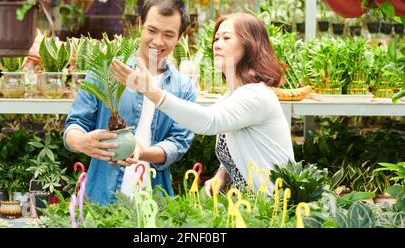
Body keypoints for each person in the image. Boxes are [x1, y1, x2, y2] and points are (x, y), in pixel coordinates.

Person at [111, 12, 295, 197]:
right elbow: (240, 145)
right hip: (253, 208)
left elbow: (210, 121)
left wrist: (151, 91)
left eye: (226, 38)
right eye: (216, 38)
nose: (217, 44)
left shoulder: (256, 95)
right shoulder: (232, 95)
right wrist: (223, 174)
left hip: (276, 209)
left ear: (249, 45)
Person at [64, 0, 196, 205]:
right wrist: (82, 141)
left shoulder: (183, 87)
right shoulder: (105, 70)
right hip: (102, 199)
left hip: (155, 202)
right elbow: (75, 124)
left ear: (180, 37)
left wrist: (142, 152)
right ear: (139, 24)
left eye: (169, 35)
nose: (158, 41)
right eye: (152, 30)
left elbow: (178, 143)